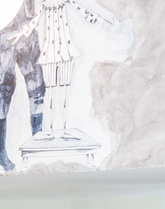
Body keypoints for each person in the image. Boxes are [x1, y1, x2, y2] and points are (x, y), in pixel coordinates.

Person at [11, 0, 113, 140]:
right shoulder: (45, 5)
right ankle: (52, 132)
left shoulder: (64, 2)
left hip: (65, 50)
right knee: (51, 94)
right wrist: (20, 33)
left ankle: (64, 131)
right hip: (49, 54)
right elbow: (34, 21)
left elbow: (81, 9)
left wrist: (99, 19)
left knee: (63, 92)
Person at [0, 0, 46, 172]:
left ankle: (38, 144)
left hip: (27, 32)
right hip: (1, 36)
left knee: (37, 87)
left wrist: (31, 22)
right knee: (4, 90)